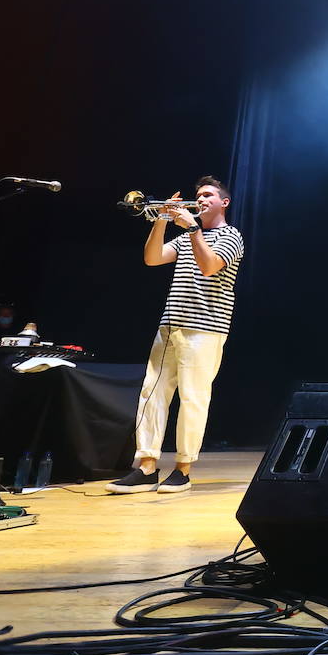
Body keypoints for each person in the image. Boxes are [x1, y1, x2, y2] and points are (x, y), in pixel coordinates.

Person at [107, 177, 244, 494]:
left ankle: (183, 469)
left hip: (205, 330)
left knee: (193, 399)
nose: (201, 199)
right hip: (170, 327)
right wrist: (161, 220)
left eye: (208, 195)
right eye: (198, 195)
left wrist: (193, 229)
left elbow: (209, 266)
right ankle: (146, 466)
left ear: (224, 202)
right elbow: (152, 258)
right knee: (151, 395)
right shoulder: (185, 238)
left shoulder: (230, 236)